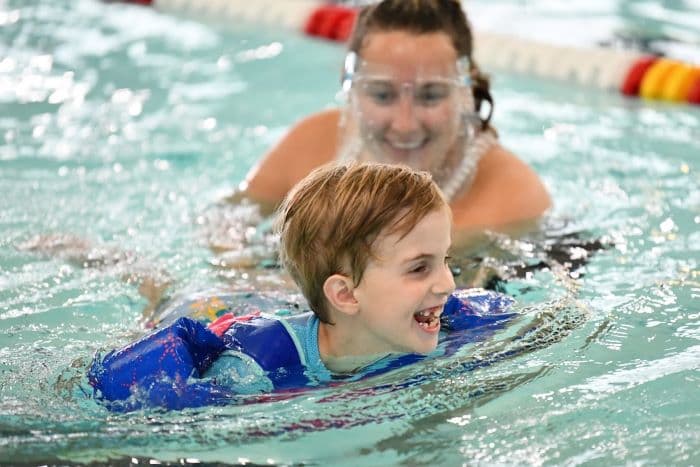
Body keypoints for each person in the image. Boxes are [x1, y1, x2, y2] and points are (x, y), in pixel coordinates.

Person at [89, 163, 516, 411]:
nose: (448, 283)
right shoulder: (253, 369)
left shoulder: (457, 321)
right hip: (214, 310)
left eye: (446, 260)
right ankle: (124, 261)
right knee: (169, 286)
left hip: (283, 299)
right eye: (420, 268)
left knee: (245, 267)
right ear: (346, 295)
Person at [231, 0, 550, 243]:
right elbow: (228, 219)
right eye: (382, 95)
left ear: (464, 91)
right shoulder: (311, 146)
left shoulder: (513, 201)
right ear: (352, 88)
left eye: (431, 96)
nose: (405, 124)